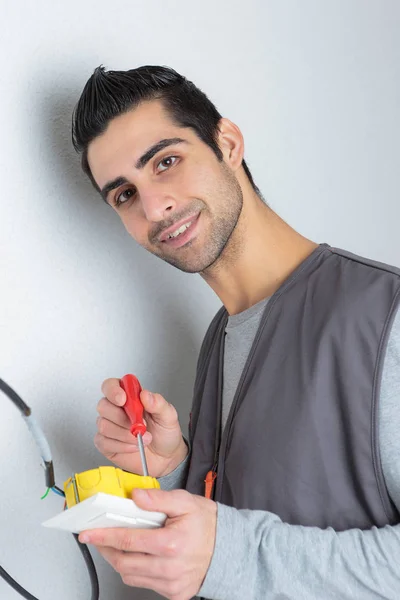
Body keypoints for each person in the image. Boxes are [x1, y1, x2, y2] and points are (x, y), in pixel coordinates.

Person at [72, 65, 400, 600]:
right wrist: (174, 463)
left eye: (166, 162)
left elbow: (234, 554)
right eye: (125, 195)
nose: (155, 206)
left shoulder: (386, 313)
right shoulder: (218, 341)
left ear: (227, 143)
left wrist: (230, 555)